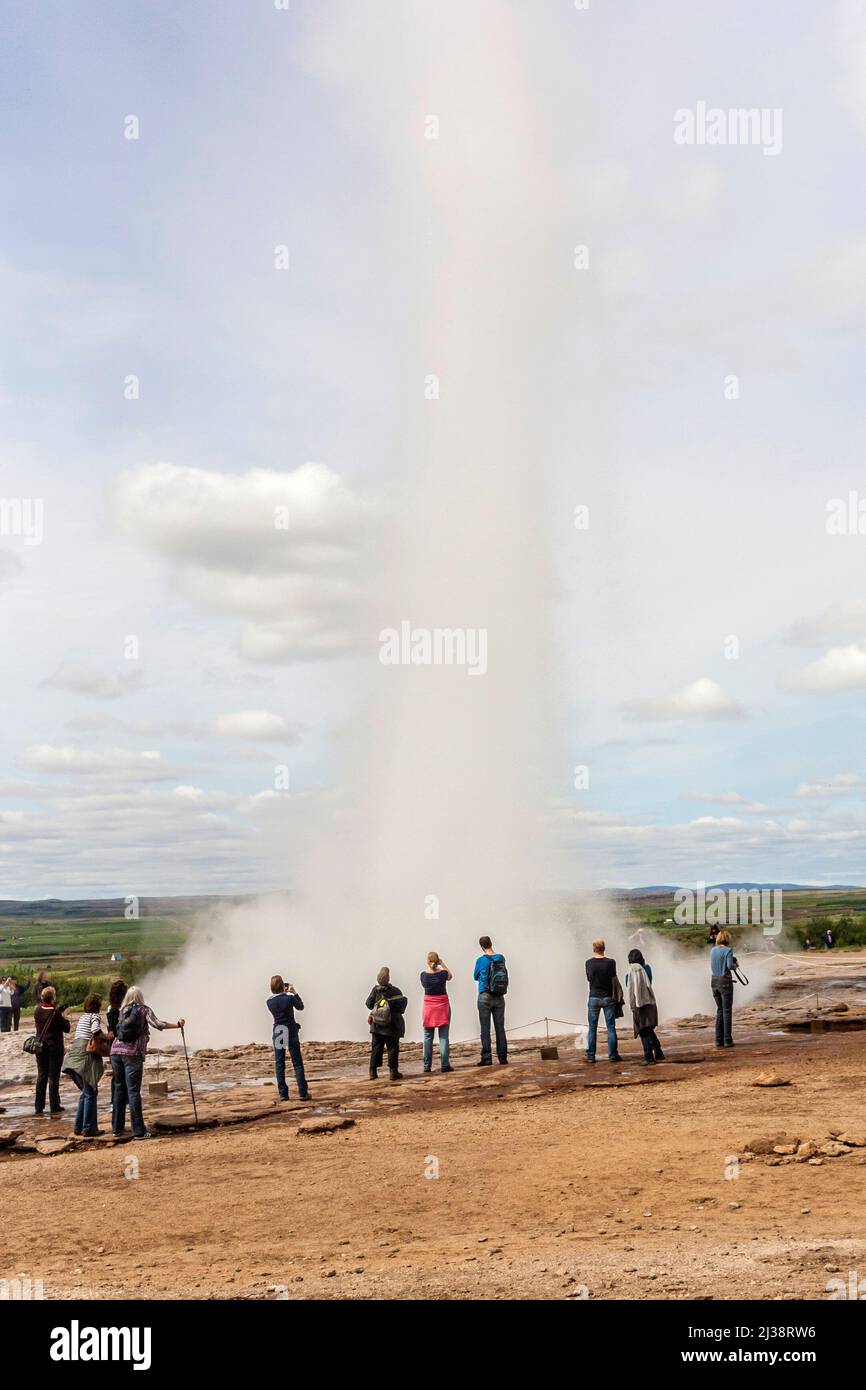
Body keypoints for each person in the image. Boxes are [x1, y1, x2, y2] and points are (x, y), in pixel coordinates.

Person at [110, 987, 185, 1140]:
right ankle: (138, 1131)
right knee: (133, 1091)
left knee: (119, 1089)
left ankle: (117, 1129)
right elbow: (158, 1024)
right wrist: (177, 1025)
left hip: (115, 1051)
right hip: (133, 1053)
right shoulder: (144, 1010)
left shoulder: (122, 1010)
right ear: (140, 997)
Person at [62, 993, 109, 1137]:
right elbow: (95, 1030)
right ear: (97, 1006)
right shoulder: (94, 1017)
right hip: (85, 1057)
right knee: (90, 1093)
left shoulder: (83, 1017)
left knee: (86, 1093)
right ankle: (89, 1129)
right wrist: (106, 1036)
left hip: (74, 1056)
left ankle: (78, 1127)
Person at [267, 975, 311, 1102]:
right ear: (282, 986)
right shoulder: (289, 998)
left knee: (280, 1063)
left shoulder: (269, 1001)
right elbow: (301, 1007)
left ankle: (283, 1094)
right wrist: (294, 993)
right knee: (296, 1062)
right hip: (290, 1030)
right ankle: (303, 1092)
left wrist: (284, 993)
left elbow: (279, 1002)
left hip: (278, 1031)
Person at [33, 985, 70, 1116]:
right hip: (54, 1047)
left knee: (42, 1076)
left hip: (41, 1047)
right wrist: (64, 1015)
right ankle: (54, 1105)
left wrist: (58, 1011)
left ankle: (38, 1106)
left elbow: (48, 1016)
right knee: (53, 1077)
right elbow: (66, 1028)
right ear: (53, 997)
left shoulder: (37, 1010)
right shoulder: (55, 1013)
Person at [365, 967, 407, 1081]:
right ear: (388, 979)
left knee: (376, 1047)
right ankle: (393, 1072)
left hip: (377, 1025)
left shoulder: (375, 990)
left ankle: (372, 1072)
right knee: (392, 1048)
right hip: (392, 1026)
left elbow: (368, 1004)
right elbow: (401, 1008)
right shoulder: (396, 991)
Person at [585, 937, 622, 1063]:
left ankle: (591, 1056)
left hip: (594, 997)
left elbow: (589, 979)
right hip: (608, 998)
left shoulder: (588, 963)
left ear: (594, 948)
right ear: (604, 948)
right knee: (611, 1027)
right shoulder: (611, 962)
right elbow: (613, 978)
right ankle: (613, 1055)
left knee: (592, 1027)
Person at [473, 935, 508, 1067]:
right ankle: (503, 1057)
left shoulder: (480, 960)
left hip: (485, 996)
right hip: (499, 996)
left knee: (485, 1028)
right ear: (491, 944)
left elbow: (475, 976)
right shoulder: (501, 958)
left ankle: (487, 1058)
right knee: (500, 1027)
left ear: (481, 947)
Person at [625, 949, 665, 1064]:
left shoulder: (631, 973)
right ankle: (658, 1052)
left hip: (639, 1005)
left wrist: (632, 1006)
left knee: (643, 1031)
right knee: (649, 1029)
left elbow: (629, 987)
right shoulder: (647, 969)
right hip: (650, 1003)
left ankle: (648, 1057)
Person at [420, 952, 453, 1074]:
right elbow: (450, 976)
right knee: (443, 1036)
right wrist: (442, 963)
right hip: (442, 1006)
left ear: (427, 961)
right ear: (437, 960)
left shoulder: (423, 976)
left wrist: (431, 966)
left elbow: (424, 985)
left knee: (428, 1037)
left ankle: (427, 1066)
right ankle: (445, 1065)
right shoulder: (443, 974)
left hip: (429, 1007)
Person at [710, 929, 736, 1048]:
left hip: (714, 982)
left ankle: (718, 1039)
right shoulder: (728, 950)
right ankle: (727, 1040)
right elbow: (730, 966)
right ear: (727, 939)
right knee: (726, 1011)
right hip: (725, 982)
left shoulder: (712, 950)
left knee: (720, 1010)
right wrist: (735, 965)